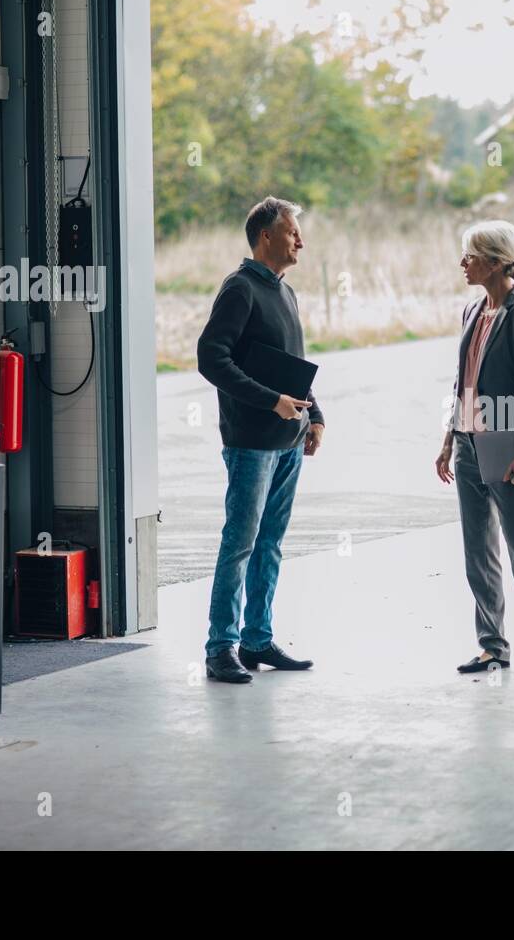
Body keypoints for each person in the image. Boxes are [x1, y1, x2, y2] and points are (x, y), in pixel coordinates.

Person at [196, 196, 324, 684]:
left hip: (289, 441)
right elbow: (212, 359)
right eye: (293, 232)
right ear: (266, 236)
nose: (300, 240)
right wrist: (272, 401)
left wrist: (316, 417)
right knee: (240, 544)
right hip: (252, 442)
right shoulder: (240, 289)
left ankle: (256, 639)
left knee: (269, 544)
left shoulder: (285, 292)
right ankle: (219, 647)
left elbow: (292, 365)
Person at [435, 220, 514, 681]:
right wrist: (448, 438)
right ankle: (492, 646)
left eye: (469, 255)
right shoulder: (472, 311)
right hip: (467, 443)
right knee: (477, 550)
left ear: (494, 262)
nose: (462, 263)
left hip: (508, 445)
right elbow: (461, 381)